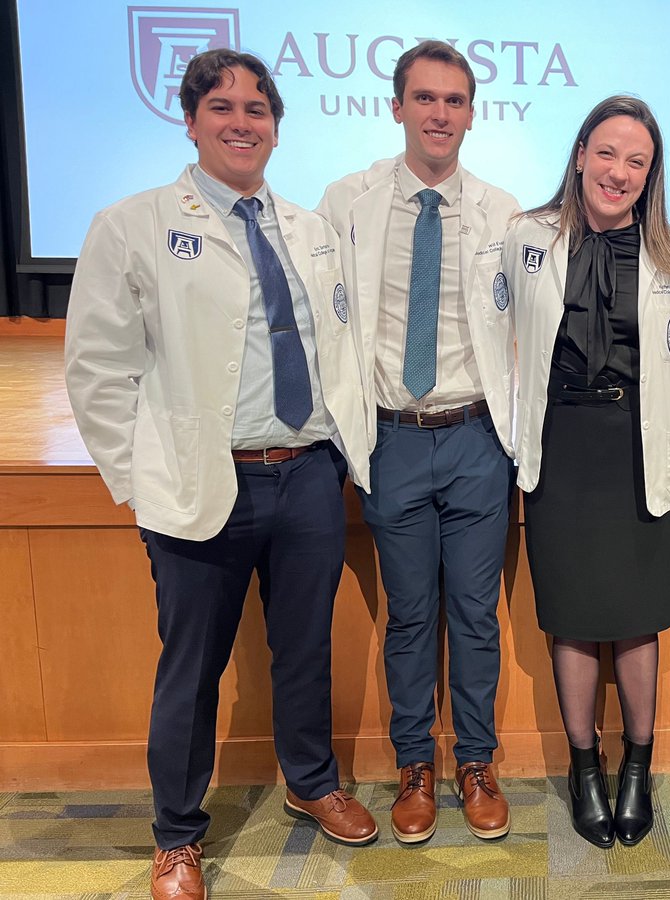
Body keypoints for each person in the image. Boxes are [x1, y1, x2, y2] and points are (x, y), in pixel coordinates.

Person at [64, 49, 376, 900]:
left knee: (304, 651)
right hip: (206, 481)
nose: (243, 122)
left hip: (307, 472)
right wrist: (141, 478)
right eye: (223, 108)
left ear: (277, 125)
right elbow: (96, 369)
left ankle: (310, 783)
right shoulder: (132, 224)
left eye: (258, 109)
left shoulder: (310, 229)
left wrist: (346, 452)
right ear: (192, 120)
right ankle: (177, 836)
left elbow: (337, 348)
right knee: (191, 665)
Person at [317, 40, 519, 844]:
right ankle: (414, 765)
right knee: (410, 616)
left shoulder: (504, 211)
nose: (440, 114)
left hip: (475, 438)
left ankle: (476, 761)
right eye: (426, 99)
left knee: (475, 615)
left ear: (472, 113)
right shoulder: (348, 202)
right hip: (392, 438)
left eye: (455, 101)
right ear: (397, 107)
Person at [502, 95, 670, 849]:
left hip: (639, 446)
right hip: (562, 447)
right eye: (607, 153)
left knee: (638, 619)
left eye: (637, 161)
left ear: (651, 177)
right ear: (580, 154)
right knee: (575, 619)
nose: (619, 172)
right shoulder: (526, 239)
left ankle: (637, 768)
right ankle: (586, 767)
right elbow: (498, 341)